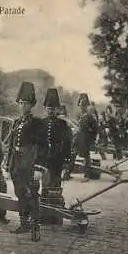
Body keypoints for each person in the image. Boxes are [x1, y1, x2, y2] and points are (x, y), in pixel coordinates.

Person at [5, 82, 46, 237]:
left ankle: (36, 228)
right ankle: (24, 224)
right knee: (20, 193)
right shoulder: (16, 122)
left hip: (30, 163)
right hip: (17, 163)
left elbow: (42, 147)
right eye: (20, 103)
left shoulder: (37, 123)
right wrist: (9, 166)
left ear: (31, 105)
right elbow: (11, 145)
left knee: (32, 194)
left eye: (26, 103)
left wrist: (39, 168)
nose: (22, 106)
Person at [39, 88, 72, 224]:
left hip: (57, 162)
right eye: (48, 108)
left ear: (57, 109)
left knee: (56, 188)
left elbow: (68, 144)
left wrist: (66, 162)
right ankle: (44, 216)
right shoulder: (41, 123)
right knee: (45, 187)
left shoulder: (63, 124)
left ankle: (56, 217)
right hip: (45, 162)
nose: (50, 110)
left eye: (53, 108)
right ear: (44, 108)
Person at [63, 93, 98, 182]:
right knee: (72, 155)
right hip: (78, 138)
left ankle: (87, 175)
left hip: (85, 139)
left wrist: (91, 138)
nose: (82, 106)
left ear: (87, 105)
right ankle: (67, 174)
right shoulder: (78, 115)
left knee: (86, 157)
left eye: (84, 105)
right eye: (80, 104)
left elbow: (95, 129)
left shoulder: (90, 116)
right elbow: (76, 126)